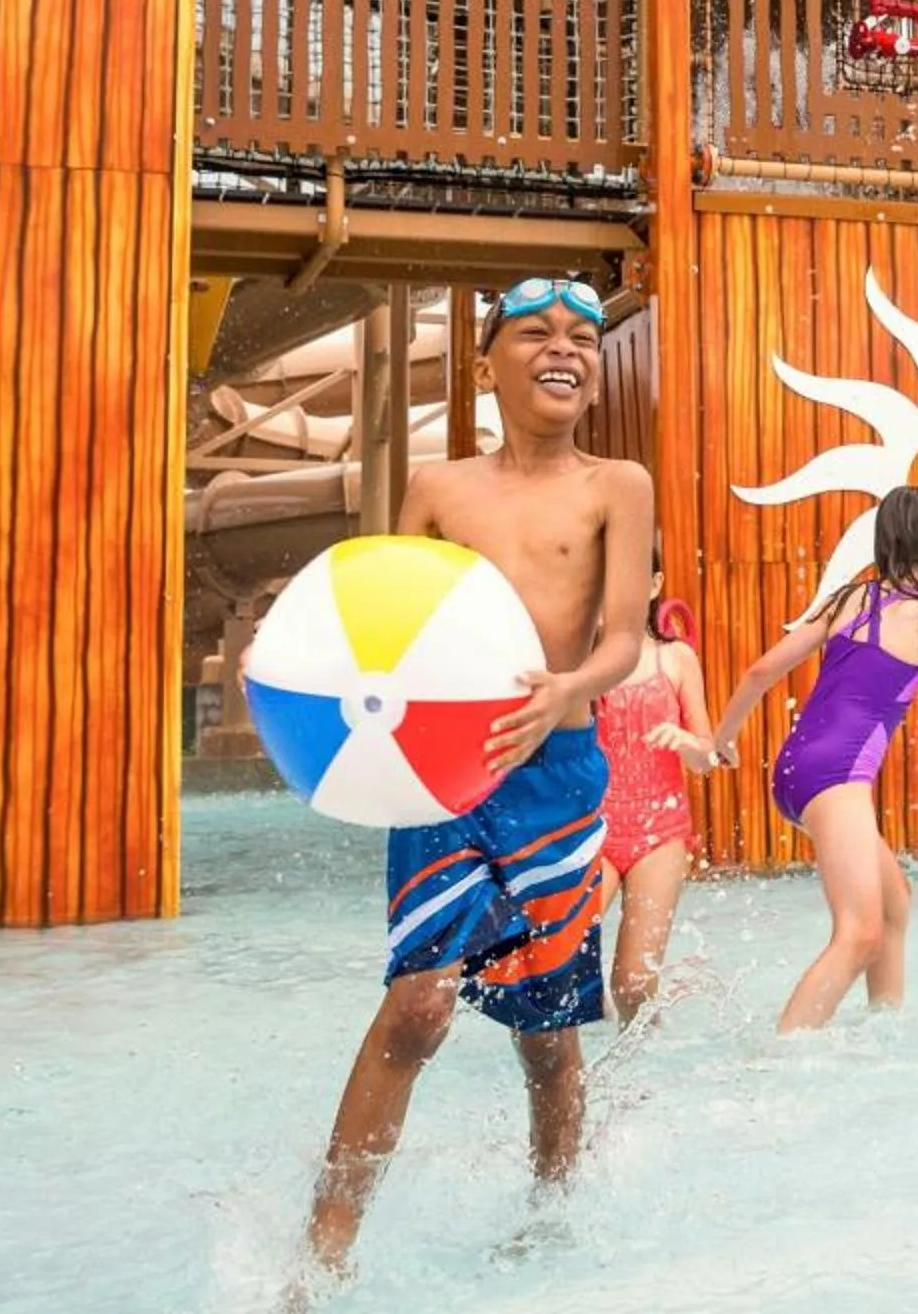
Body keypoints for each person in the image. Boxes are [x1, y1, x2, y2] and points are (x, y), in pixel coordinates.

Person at [301, 277, 654, 1284]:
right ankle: (325, 1253)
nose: (567, 350)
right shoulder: (437, 488)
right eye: (539, 332)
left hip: (559, 772)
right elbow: (381, 626)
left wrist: (567, 688)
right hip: (445, 774)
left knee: (544, 1028)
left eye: (584, 338)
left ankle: (552, 1213)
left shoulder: (616, 484)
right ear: (486, 360)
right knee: (417, 1005)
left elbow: (625, 635)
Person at [676, 487, 918, 1035]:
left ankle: (884, 1029)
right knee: (860, 930)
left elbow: (760, 672)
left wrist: (719, 741)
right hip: (840, 779)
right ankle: (779, 1058)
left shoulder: (847, 600)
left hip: (796, 772)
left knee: (893, 904)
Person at [589, 550, 709, 1020]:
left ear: (655, 584)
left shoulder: (676, 658)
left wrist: (685, 740)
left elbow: (705, 758)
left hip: (659, 834)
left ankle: (641, 1080)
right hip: (592, 831)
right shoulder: (580, 664)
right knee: (557, 958)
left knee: (633, 985)